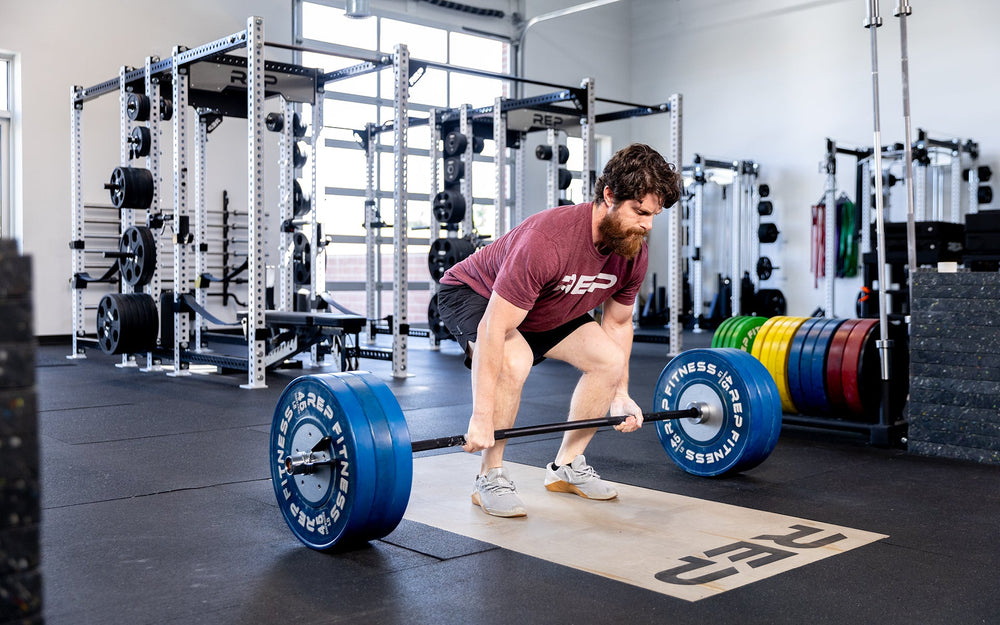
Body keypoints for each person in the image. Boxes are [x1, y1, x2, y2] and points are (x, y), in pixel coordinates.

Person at [436, 142, 681, 518]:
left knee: (608, 360)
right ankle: (490, 475)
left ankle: (566, 466)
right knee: (514, 360)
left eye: (654, 215)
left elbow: (617, 323)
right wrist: (481, 416)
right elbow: (494, 329)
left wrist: (620, 394)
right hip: (475, 294)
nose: (648, 225)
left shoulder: (632, 253)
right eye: (640, 211)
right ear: (609, 196)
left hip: (547, 304)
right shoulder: (549, 240)